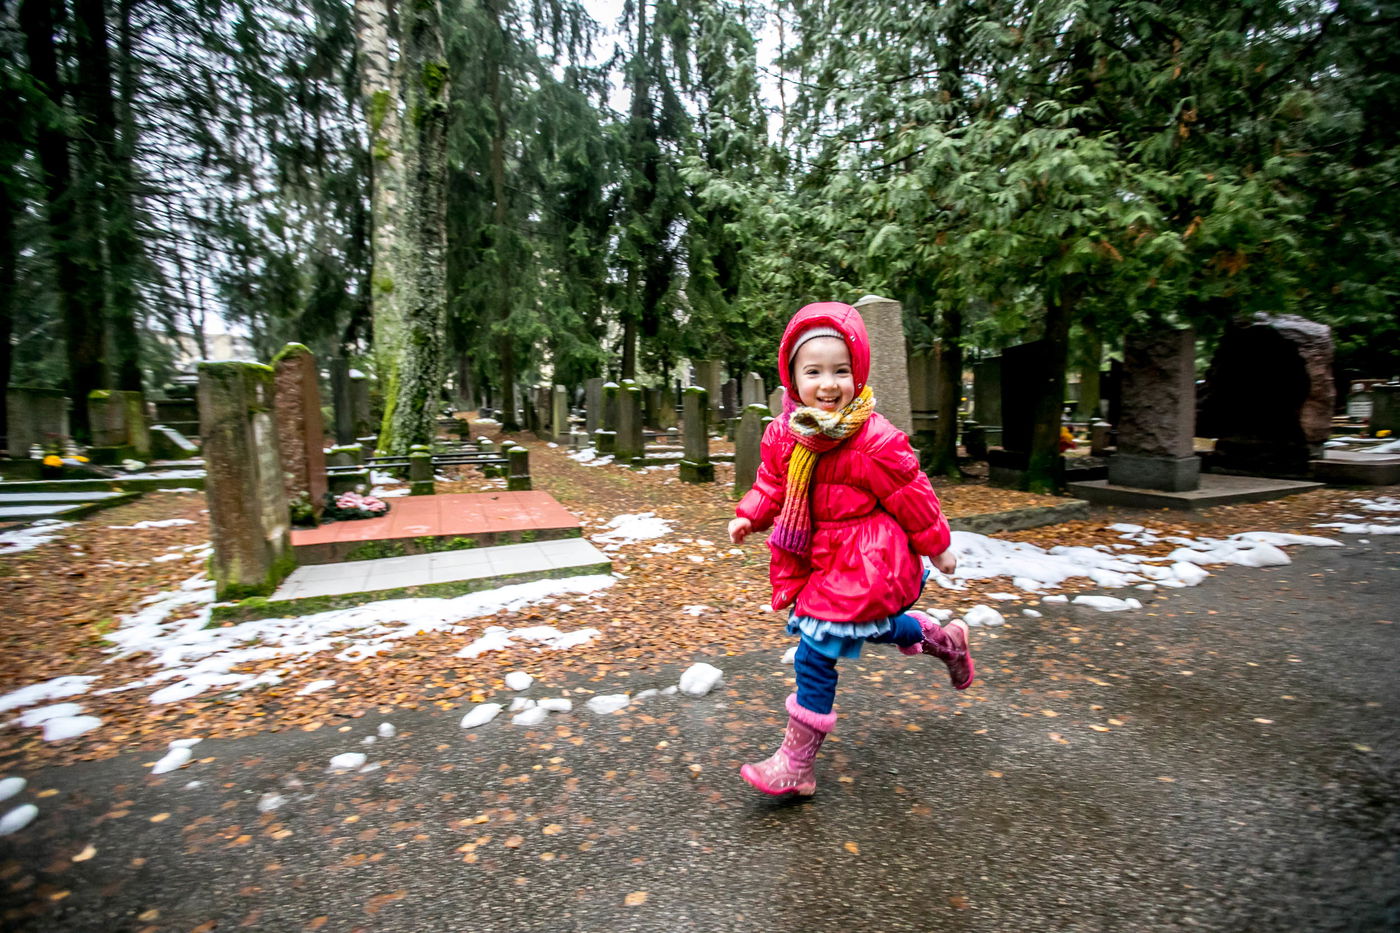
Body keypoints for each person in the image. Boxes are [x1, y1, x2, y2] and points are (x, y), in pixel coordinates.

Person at [727, 301, 975, 797]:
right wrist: (751, 514)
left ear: (857, 374)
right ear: (792, 378)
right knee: (874, 629)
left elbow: (912, 493)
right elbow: (773, 484)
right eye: (813, 371)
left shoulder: (873, 439)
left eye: (841, 370)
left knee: (815, 651)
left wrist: (938, 546)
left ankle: (795, 764)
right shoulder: (783, 435)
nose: (828, 384)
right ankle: (942, 639)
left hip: (867, 556)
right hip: (819, 556)